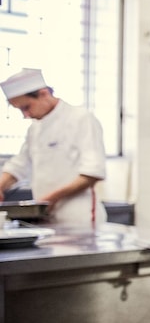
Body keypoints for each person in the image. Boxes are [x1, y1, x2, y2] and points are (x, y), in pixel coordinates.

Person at [0, 68, 107, 226]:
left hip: (78, 219)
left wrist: (49, 200)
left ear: (44, 93)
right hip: (47, 218)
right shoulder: (35, 128)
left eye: (26, 107)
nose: (25, 115)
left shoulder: (80, 119)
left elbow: (93, 172)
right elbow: (20, 165)